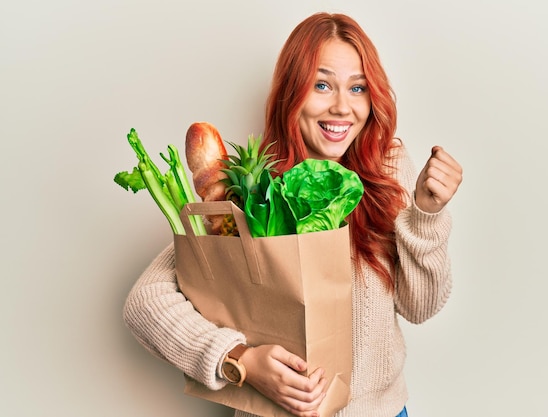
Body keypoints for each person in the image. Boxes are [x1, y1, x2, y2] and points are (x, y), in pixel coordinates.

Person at [123, 12, 463, 417]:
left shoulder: (386, 168)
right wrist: (240, 361)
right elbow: (144, 303)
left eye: (357, 88)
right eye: (322, 85)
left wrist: (425, 214)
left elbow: (420, 307)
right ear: (291, 92)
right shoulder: (254, 192)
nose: (342, 108)